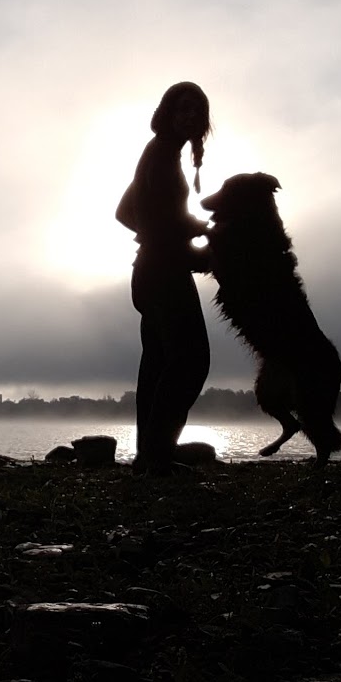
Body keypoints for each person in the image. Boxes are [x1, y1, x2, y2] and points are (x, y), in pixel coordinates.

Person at [115, 81, 212, 474]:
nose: (191, 117)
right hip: (162, 274)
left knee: (157, 364)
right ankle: (156, 455)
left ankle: (151, 453)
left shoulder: (161, 154)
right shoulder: (159, 155)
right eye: (183, 108)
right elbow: (155, 220)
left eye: (198, 111)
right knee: (191, 361)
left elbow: (126, 212)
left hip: (149, 273)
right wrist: (194, 249)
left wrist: (189, 230)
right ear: (169, 113)